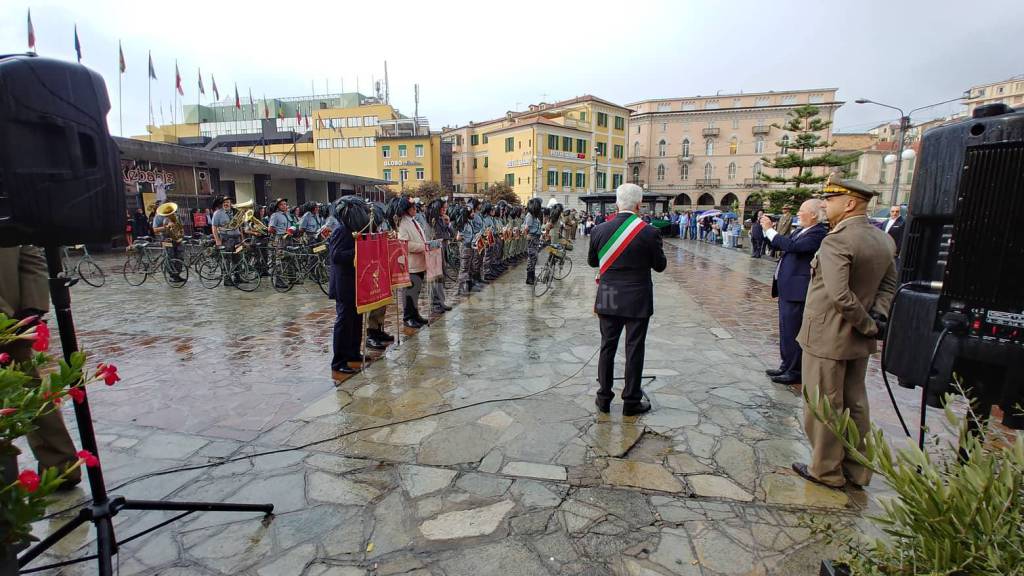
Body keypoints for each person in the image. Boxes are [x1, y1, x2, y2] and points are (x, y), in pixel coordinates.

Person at [791, 175, 898, 490]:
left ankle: (826, 470)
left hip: (827, 335)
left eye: (831, 199)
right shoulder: (882, 239)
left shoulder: (837, 240)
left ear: (850, 203)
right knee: (856, 404)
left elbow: (839, 296)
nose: (825, 204)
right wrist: (877, 318)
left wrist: (866, 323)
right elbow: (889, 284)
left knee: (823, 405)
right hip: (858, 339)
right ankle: (858, 469)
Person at [0, 245, 81, 491]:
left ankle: (59, 466)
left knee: (31, 396)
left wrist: (32, 310)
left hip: (14, 324)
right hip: (11, 321)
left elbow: (29, 251)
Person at [588, 184, 667, 415]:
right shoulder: (650, 232)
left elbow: (593, 262)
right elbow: (660, 266)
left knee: (607, 347)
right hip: (637, 298)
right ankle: (631, 401)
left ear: (616, 203)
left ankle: (603, 398)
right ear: (639, 205)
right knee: (634, 349)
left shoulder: (599, 230)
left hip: (610, 295)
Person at [761, 199, 828, 385]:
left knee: (794, 331)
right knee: (785, 330)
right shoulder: (800, 230)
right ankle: (786, 365)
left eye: (801, 210)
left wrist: (771, 230)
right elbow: (782, 244)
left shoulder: (818, 233)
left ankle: (795, 370)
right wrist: (767, 233)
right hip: (787, 289)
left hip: (798, 291)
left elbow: (794, 247)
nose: (798, 213)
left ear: (814, 214)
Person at [327, 197, 365, 376]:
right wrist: (357, 251)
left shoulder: (353, 229)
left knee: (356, 319)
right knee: (344, 321)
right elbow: (336, 256)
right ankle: (339, 361)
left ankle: (353, 353)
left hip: (355, 282)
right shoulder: (341, 231)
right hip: (344, 284)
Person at [397, 196, 437, 328]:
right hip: (411, 263)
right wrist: (423, 247)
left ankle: (415, 315)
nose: (415, 209)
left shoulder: (413, 221)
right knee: (410, 292)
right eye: (413, 207)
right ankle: (408, 317)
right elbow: (405, 244)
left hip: (419, 262)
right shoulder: (403, 223)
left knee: (416, 291)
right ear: (407, 210)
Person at [425, 199, 453, 315]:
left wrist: (448, 223)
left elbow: (450, 234)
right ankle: (435, 304)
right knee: (434, 278)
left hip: (443, 249)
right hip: (434, 251)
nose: (444, 210)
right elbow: (431, 237)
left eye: (446, 208)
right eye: (443, 208)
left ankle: (441, 301)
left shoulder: (442, 219)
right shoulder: (430, 221)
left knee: (441, 277)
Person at [210, 196, 242, 287]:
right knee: (226, 260)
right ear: (221, 204)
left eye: (228, 202)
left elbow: (239, 226)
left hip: (237, 238)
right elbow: (214, 227)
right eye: (224, 202)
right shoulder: (217, 213)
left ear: (230, 203)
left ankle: (237, 277)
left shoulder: (235, 212)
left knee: (238, 258)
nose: (226, 203)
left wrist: (242, 238)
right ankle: (227, 279)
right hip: (226, 239)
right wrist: (217, 240)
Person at [152, 202, 186, 283]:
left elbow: (181, 227)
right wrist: (166, 227)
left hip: (176, 239)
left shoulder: (176, 216)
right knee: (170, 257)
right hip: (166, 239)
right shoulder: (158, 217)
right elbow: (155, 230)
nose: (170, 212)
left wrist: (181, 235)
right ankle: (171, 276)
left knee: (180, 257)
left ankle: (177, 274)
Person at [523, 198, 543, 285]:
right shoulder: (529, 216)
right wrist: (528, 236)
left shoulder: (534, 216)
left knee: (534, 258)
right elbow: (526, 228)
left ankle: (532, 276)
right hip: (532, 238)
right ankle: (529, 278)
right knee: (531, 258)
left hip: (536, 238)